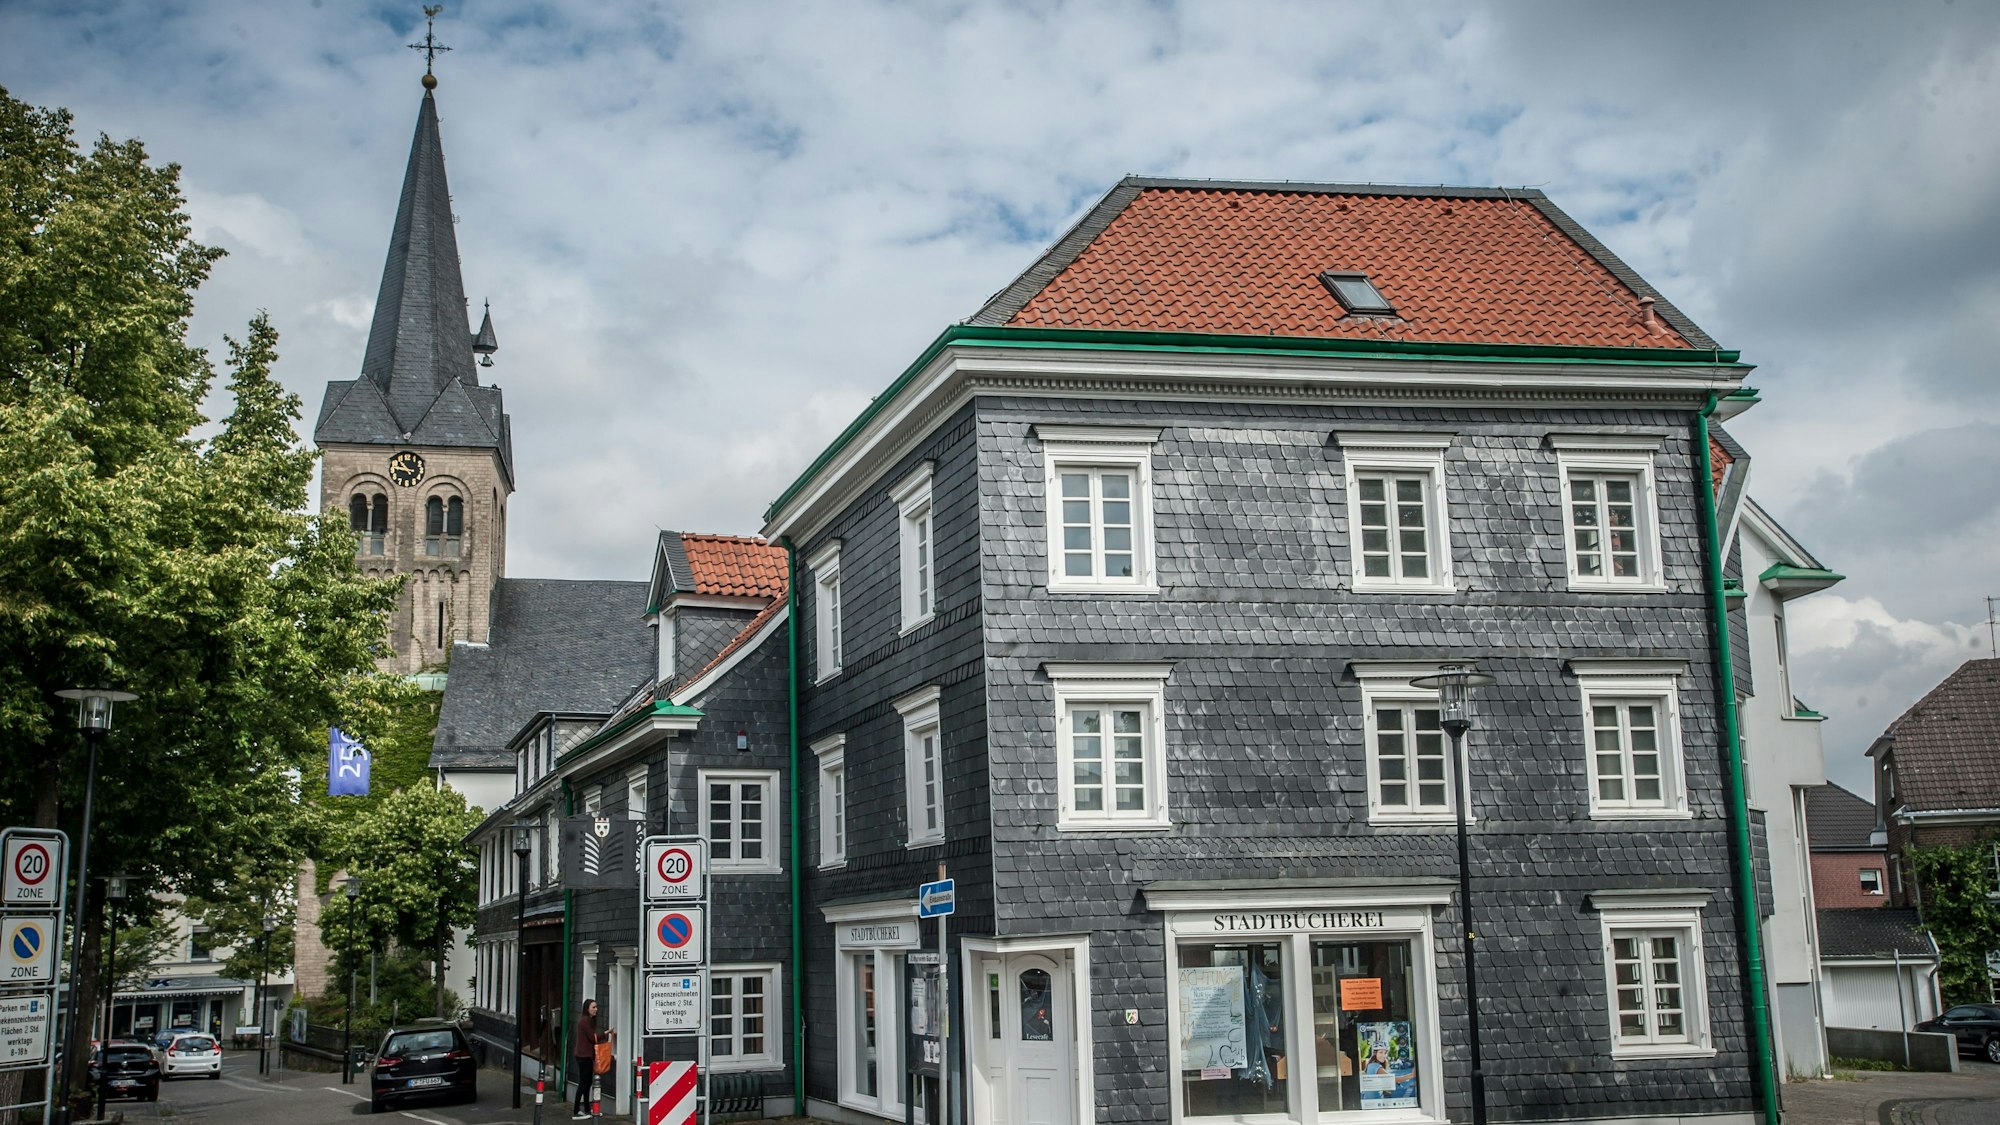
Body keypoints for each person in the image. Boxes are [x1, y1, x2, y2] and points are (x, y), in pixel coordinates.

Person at [570, 999, 608, 1119]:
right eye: (593, 1007)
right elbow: (593, 1038)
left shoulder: (586, 1021)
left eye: (596, 1007)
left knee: (587, 1083)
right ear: (587, 1009)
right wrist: (606, 1033)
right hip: (584, 1056)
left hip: (585, 1055)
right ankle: (576, 1111)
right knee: (584, 1083)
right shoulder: (585, 1021)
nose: (596, 1009)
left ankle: (587, 1109)